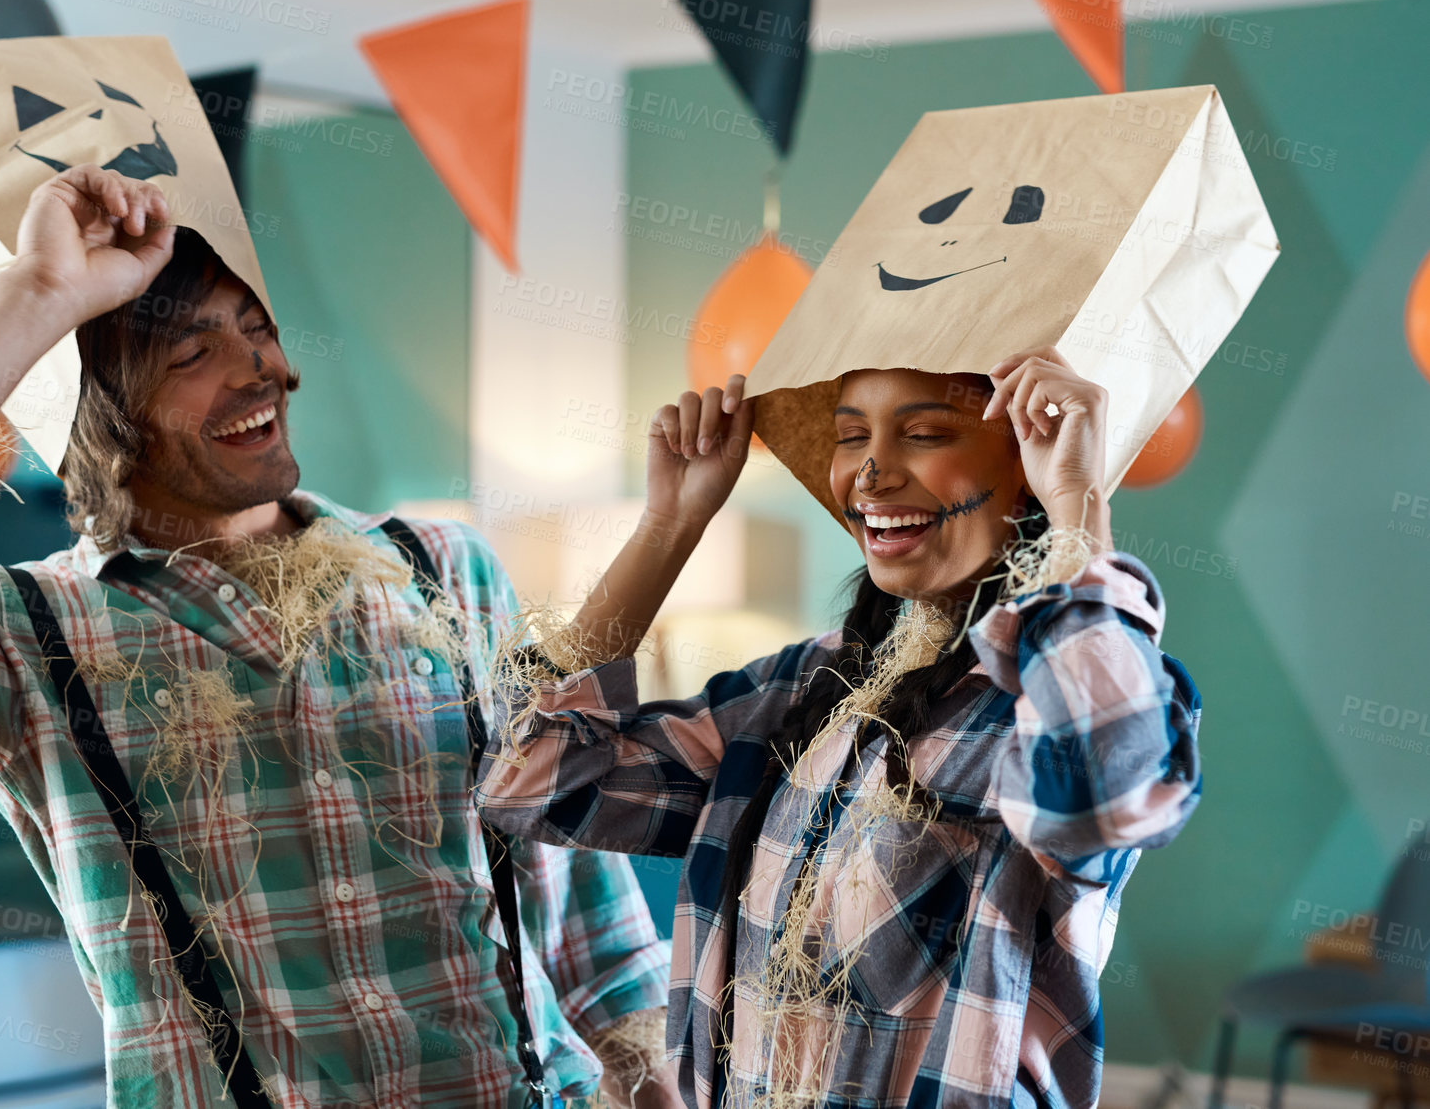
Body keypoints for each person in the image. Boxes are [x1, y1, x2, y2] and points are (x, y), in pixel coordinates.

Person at [0, 163, 681, 1109]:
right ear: (103, 417)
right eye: (193, 354)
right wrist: (41, 294)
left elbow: (571, 891)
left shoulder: (441, 566)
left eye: (257, 330)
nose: (261, 368)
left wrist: (650, 1080)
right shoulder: (23, 640)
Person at [475, 358, 1203, 1109]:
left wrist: (1077, 515)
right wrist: (669, 524)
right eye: (850, 435)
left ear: (1027, 461)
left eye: (922, 432)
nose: (871, 471)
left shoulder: (1060, 700)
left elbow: (1100, 792)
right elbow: (530, 778)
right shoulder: (802, 687)